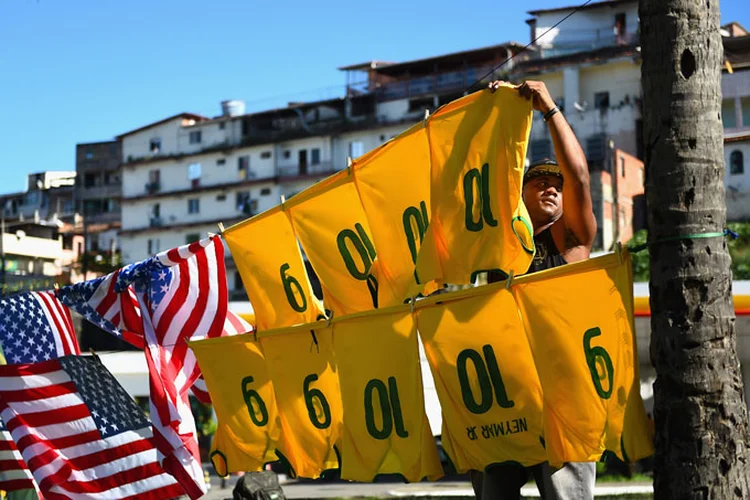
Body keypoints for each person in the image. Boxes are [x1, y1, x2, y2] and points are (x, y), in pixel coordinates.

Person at [475, 80, 598, 499]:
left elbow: (579, 177)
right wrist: (491, 115)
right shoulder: (497, 249)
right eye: (540, 182)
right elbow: (485, 179)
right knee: (493, 491)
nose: (551, 187)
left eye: (556, 186)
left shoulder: (571, 241)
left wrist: (548, 108)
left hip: (564, 393)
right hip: (507, 393)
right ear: (520, 193)